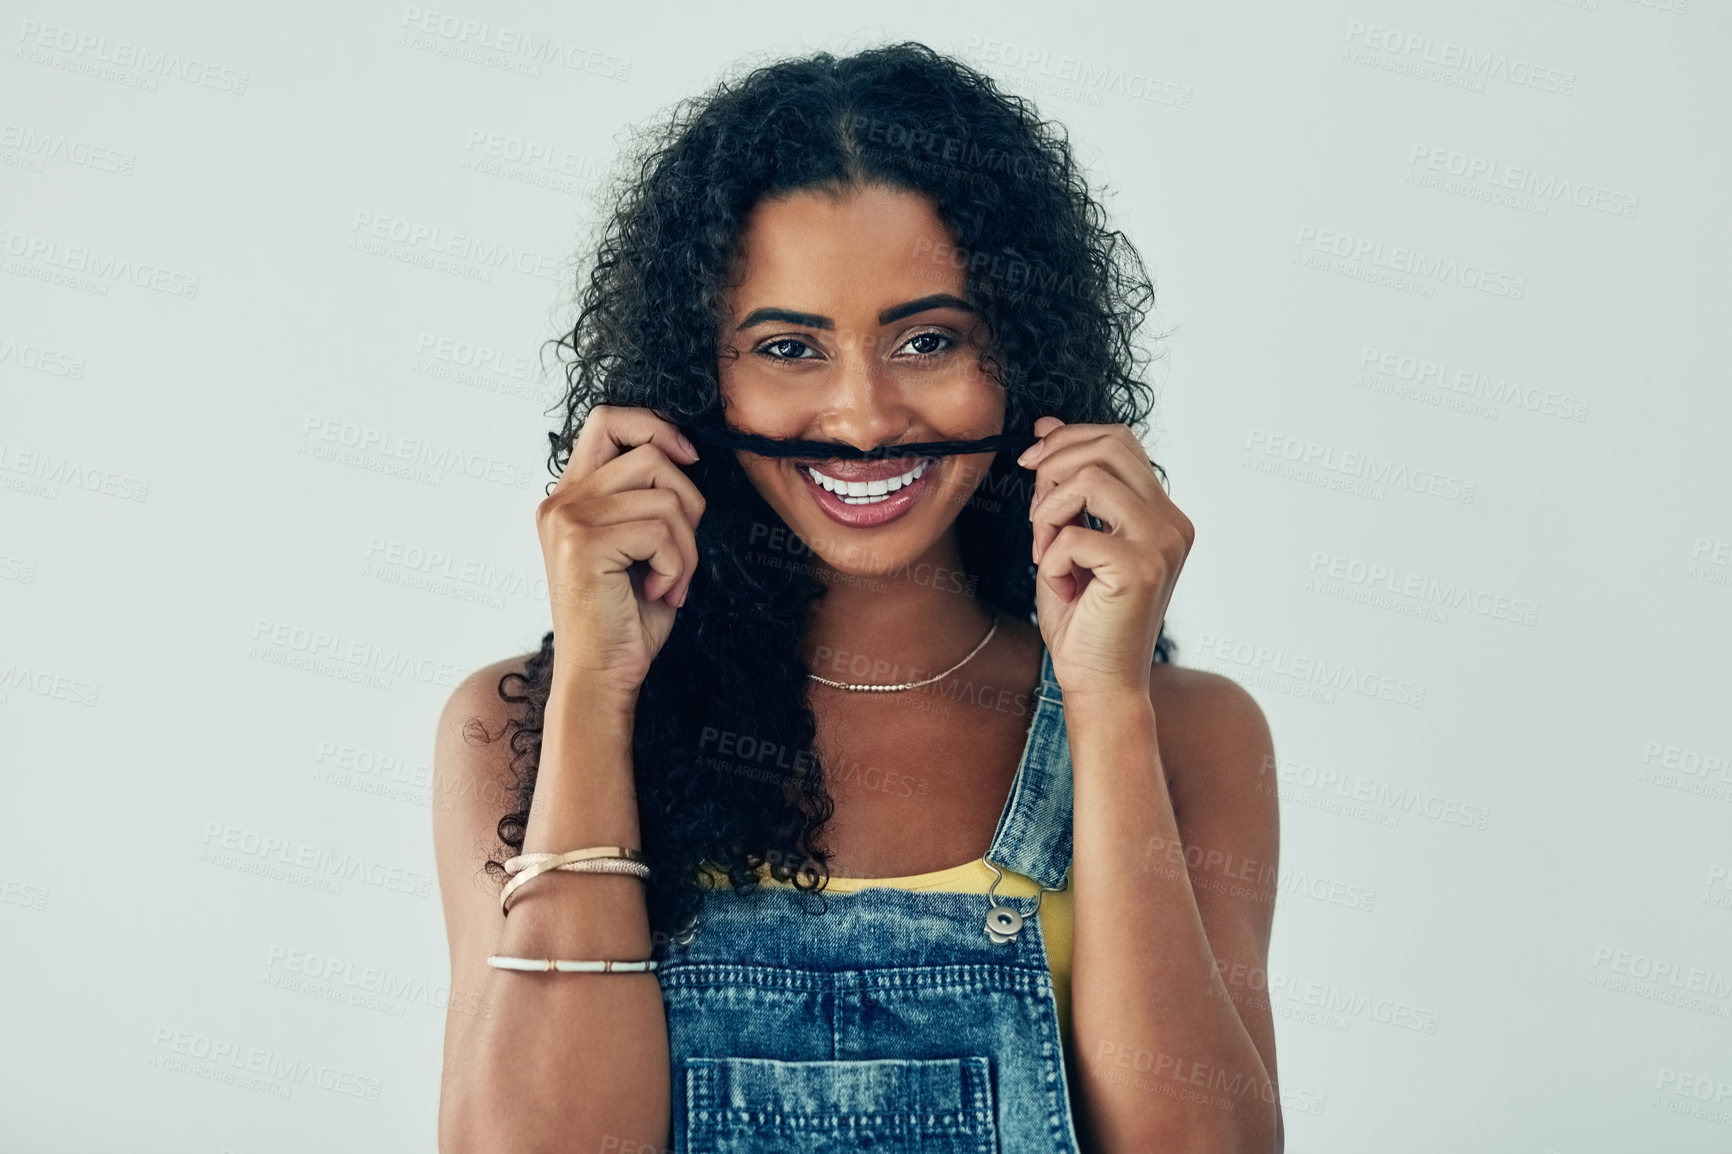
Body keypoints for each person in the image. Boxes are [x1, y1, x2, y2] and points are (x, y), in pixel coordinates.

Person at [432, 41, 1282, 1154]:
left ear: (1021, 357)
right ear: (700, 377)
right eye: (788, 346)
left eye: (927, 340)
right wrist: (597, 691)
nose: (863, 416)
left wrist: (1104, 701)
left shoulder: (1192, 733)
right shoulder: (516, 727)